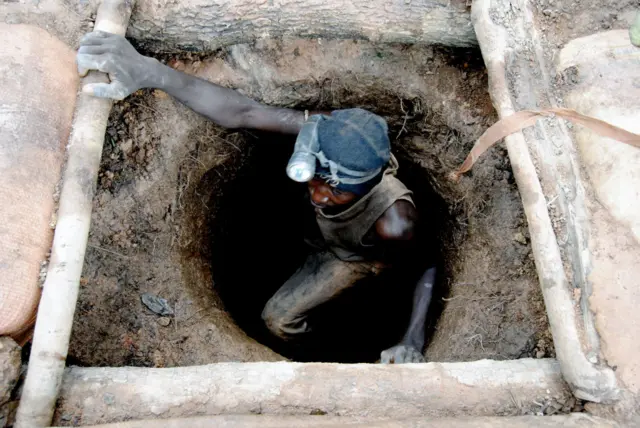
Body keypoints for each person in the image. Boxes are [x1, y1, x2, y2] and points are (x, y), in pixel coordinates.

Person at [76, 31, 437, 363]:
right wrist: (150, 71)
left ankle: (322, 356)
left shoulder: (395, 222)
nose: (319, 196)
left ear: (370, 185)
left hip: (354, 255)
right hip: (321, 233)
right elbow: (245, 112)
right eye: (314, 178)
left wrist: (412, 338)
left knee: (278, 320)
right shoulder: (331, 132)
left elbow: (425, 264)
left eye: (337, 190)